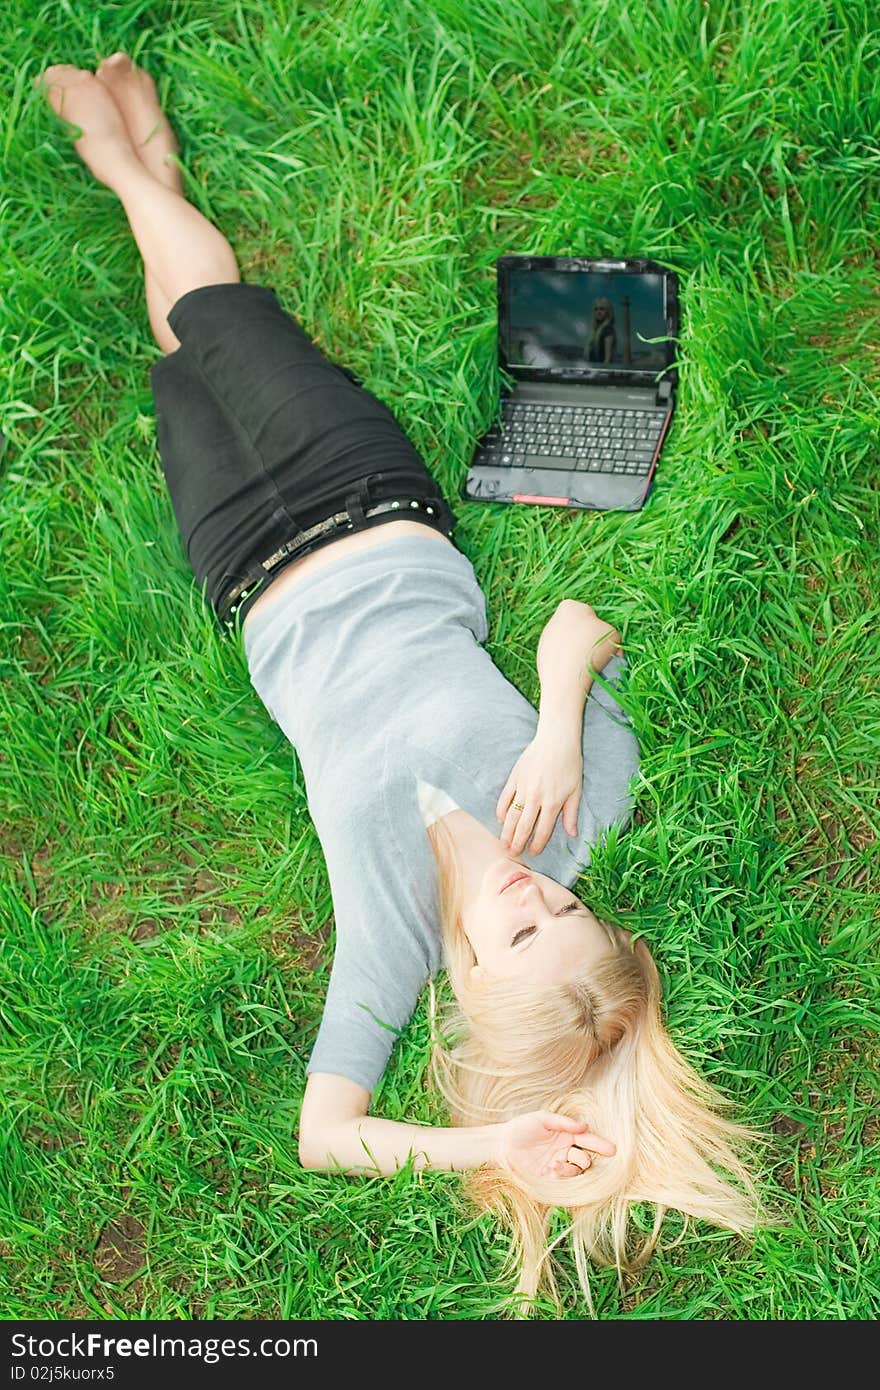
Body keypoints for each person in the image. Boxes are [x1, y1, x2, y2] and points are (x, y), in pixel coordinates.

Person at [38, 55, 761, 1314]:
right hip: (363, 496)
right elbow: (582, 627)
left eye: (521, 931)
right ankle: (121, 165)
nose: (537, 894)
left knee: (184, 352)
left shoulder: (390, 941)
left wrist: (490, 1148)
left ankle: (154, 175)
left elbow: (328, 1133)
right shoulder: (586, 803)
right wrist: (553, 728)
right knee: (217, 315)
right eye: (571, 913)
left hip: (243, 568)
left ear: (472, 980)